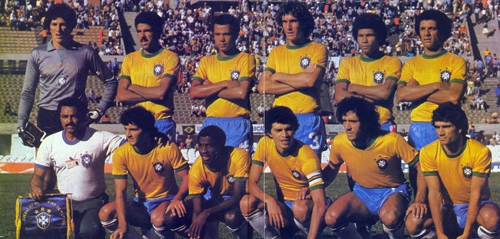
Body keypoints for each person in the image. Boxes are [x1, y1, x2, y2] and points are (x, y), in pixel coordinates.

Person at [322, 97, 431, 239]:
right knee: (331, 217)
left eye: (353, 121)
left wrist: (420, 200)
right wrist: (310, 188)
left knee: (390, 217)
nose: (347, 126)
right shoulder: (340, 142)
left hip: (392, 191)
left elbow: (420, 166)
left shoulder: (392, 140)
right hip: (362, 192)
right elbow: (331, 170)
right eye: (344, 121)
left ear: (366, 122)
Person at [18, 3, 117, 143]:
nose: (58, 29)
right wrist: (21, 123)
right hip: (47, 116)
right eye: (54, 24)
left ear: (70, 26)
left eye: (63, 24)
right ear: (49, 26)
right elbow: (28, 92)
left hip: (75, 115)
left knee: (75, 162)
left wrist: (100, 110)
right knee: (45, 163)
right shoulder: (37, 54)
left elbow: (111, 81)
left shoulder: (86, 52)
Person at [29, 97, 125, 239]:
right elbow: (38, 176)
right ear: (59, 117)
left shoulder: (99, 138)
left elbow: (131, 144)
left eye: (74, 116)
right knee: (44, 231)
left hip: (92, 201)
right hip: (62, 202)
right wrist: (36, 188)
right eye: (65, 116)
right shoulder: (50, 142)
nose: (69, 121)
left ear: (83, 116)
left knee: (88, 231)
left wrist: (156, 137)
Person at [396, 9, 466, 194]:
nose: (426, 33)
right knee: (419, 183)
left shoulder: (455, 61)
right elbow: (401, 95)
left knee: (448, 183)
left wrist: (417, 90)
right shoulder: (411, 64)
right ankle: (425, 221)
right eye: (422, 29)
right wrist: (437, 86)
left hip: (446, 126)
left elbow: (453, 97)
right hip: (419, 127)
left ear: (442, 32)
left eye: (432, 29)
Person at [99, 106, 189, 239]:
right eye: (126, 129)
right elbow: (120, 192)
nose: (128, 134)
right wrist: (122, 225)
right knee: (105, 213)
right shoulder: (121, 153)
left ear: (147, 131)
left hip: (166, 199)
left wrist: (178, 199)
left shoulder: (167, 148)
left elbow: (188, 178)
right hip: (140, 203)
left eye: (134, 129)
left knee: (158, 219)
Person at [240, 106, 327, 239]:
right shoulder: (264, 144)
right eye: (278, 130)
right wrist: (269, 200)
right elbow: (250, 184)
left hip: (306, 206)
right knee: (246, 203)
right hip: (284, 206)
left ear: (294, 129)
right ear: (269, 133)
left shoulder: (307, 155)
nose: (284, 135)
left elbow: (320, 203)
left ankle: (316, 235)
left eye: (288, 129)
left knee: (300, 208)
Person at [421, 102, 500, 238]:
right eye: (437, 127)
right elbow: (434, 193)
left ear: (459, 128)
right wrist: (440, 233)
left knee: (492, 219)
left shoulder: (480, 151)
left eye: (446, 127)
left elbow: (476, 194)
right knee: (413, 222)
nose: (440, 132)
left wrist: (467, 233)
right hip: (447, 207)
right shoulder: (428, 152)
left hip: (474, 204)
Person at [257, 2, 327, 154]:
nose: (288, 27)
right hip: (281, 121)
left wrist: (278, 76)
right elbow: (262, 87)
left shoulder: (317, 49)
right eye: (284, 22)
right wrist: (300, 81)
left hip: (307, 118)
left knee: (310, 172)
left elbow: (311, 81)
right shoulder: (276, 52)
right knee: (282, 174)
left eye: (293, 21)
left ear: (303, 23)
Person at [169, 126, 252, 238]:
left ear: (221, 145)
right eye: (201, 145)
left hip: (240, 202)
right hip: (215, 201)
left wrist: (207, 213)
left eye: (209, 146)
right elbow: (197, 210)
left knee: (232, 217)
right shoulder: (196, 169)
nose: (203, 151)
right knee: (172, 216)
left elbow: (238, 196)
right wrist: (196, 228)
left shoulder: (239, 156)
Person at [190, 14, 255, 151]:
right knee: (212, 171)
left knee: (239, 170)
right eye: (217, 34)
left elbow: (241, 92)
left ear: (236, 34)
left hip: (237, 123)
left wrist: (209, 88)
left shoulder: (246, 59)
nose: (222, 39)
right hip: (212, 122)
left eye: (226, 34)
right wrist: (224, 84)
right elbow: (194, 92)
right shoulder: (207, 62)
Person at [116, 11, 180, 140]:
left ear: (157, 31)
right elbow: (122, 96)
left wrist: (133, 87)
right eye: (139, 31)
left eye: (147, 31)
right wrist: (152, 93)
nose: (142, 36)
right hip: (136, 125)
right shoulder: (130, 59)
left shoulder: (170, 57)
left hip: (161, 123)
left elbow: (161, 93)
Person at [334, 13, 401, 132]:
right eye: (361, 36)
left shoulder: (392, 62)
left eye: (369, 35)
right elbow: (339, 96)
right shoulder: (348, 63)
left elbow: (385, 93)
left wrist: (353, 87)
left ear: (379, 37)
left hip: (383, 126)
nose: (364, 40)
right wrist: (370, 98)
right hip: (357, 129)